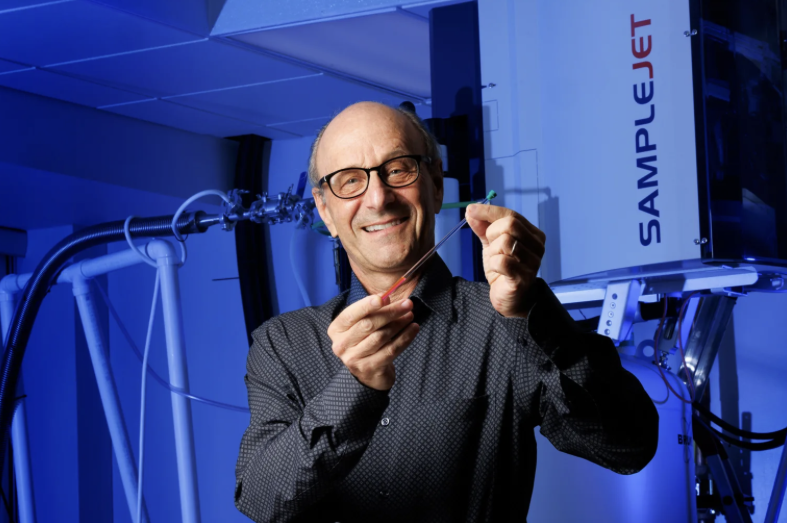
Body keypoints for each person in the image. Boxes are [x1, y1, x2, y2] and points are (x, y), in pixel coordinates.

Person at [234, 102, 658, 522]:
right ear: (326, 210)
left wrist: (532, 311)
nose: (378, 198)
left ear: (436, 185)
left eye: (398, 169)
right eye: (350, 181)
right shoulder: (283, 344)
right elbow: (262, 500)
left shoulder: (505, 323)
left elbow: (627, 447)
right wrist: (354, 389)